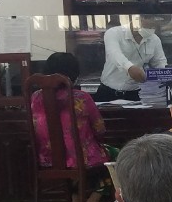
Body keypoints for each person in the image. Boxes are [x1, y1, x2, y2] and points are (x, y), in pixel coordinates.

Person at [30, 51, 111, 181]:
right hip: (83, 160)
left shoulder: (35, 97)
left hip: (46, 159)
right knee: (115, 156)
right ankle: (93, 194)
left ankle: (72, 191)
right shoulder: (82, 98)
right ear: (74, 74)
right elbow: (100, 130)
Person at [96, 16, 167, 102]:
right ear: (137, 20)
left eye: (153, 27)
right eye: (148, 27)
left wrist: (167, 74)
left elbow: (159, 62)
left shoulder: (154, 39)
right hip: (108, 92)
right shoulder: (114, 33)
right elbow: (114, 54)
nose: (151, 30)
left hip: (136, 93)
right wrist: (129, 68)